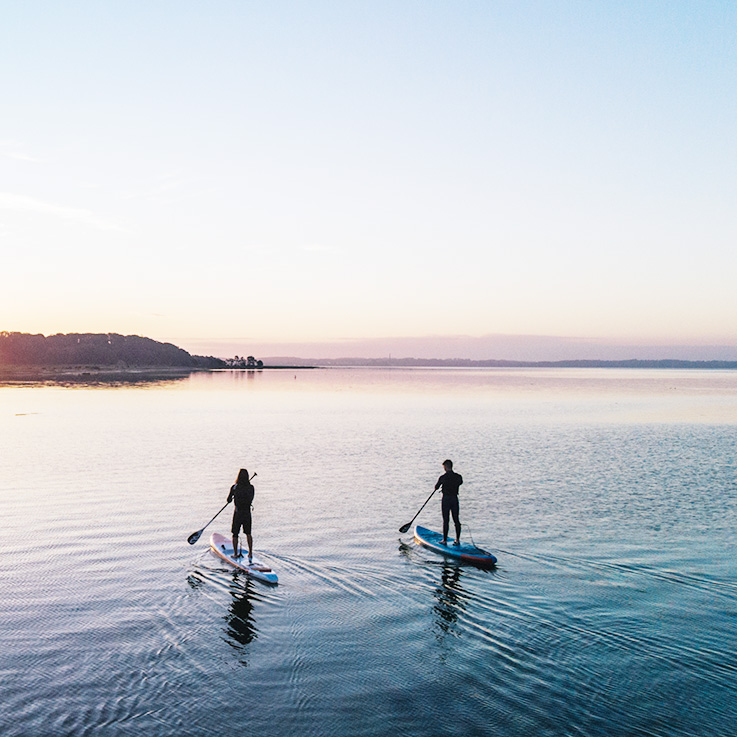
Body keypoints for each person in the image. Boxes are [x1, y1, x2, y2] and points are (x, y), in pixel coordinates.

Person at [228, 468, 255, 562]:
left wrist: (233, 496)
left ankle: (235, 554)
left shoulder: (235, 487)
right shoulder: (251, 487)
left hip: (238, 513)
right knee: (248, 533)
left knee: (235, 534)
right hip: (247, 513)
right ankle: (250, 553)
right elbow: (251, 499)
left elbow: (228, 500)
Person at [434, 459, 463, 546]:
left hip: (446, 500)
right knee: (456, 520)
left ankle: (445, 540)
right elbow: (460, 482)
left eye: (444, 467)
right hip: (454, 499)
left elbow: (436, 487)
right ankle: (457, 540)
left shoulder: (443, 477)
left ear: (446, 467)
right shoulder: (458, 477)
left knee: (446, 520)